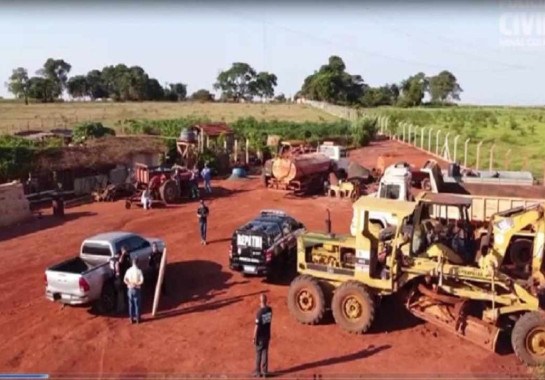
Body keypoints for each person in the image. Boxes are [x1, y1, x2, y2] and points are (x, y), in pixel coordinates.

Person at [253, 294, 272, 378]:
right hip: (267, 335)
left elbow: (256, 326)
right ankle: (265, 372)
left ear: (260, 301)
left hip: (260, 337)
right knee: (265, 353)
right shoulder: (270, 310)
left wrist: (254, 337)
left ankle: (257, 372)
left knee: (258, 354)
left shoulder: (259, 313)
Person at [124, 258, 144, 324]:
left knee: (130, 304)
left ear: (132, 263)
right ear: (137, 263)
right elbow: (142, 281)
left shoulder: (128, 270)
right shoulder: (139, 271)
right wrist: (136, 284)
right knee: (137, 304)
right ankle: (138, 319)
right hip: (136, 289)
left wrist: (130, 284)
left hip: (130, 289)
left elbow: (125, 280)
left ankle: (131, 319)